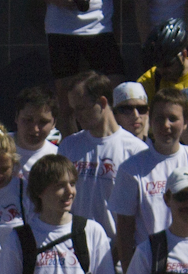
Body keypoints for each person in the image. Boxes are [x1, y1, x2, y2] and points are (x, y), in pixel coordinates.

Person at [111, 86, 188, 261]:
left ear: (185, 122)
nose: (166, 125)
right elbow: (124, 231)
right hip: (150, 263)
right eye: (159, 118)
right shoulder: (131, 168)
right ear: (150, 121)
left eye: (173, 119)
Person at [59, 72, 146, 242]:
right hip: (76, 249)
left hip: (117, 251)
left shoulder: (136, 151)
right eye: (73, 110)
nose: (76, 116)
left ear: (102, 102)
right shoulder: (68, 146)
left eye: (81, 108)